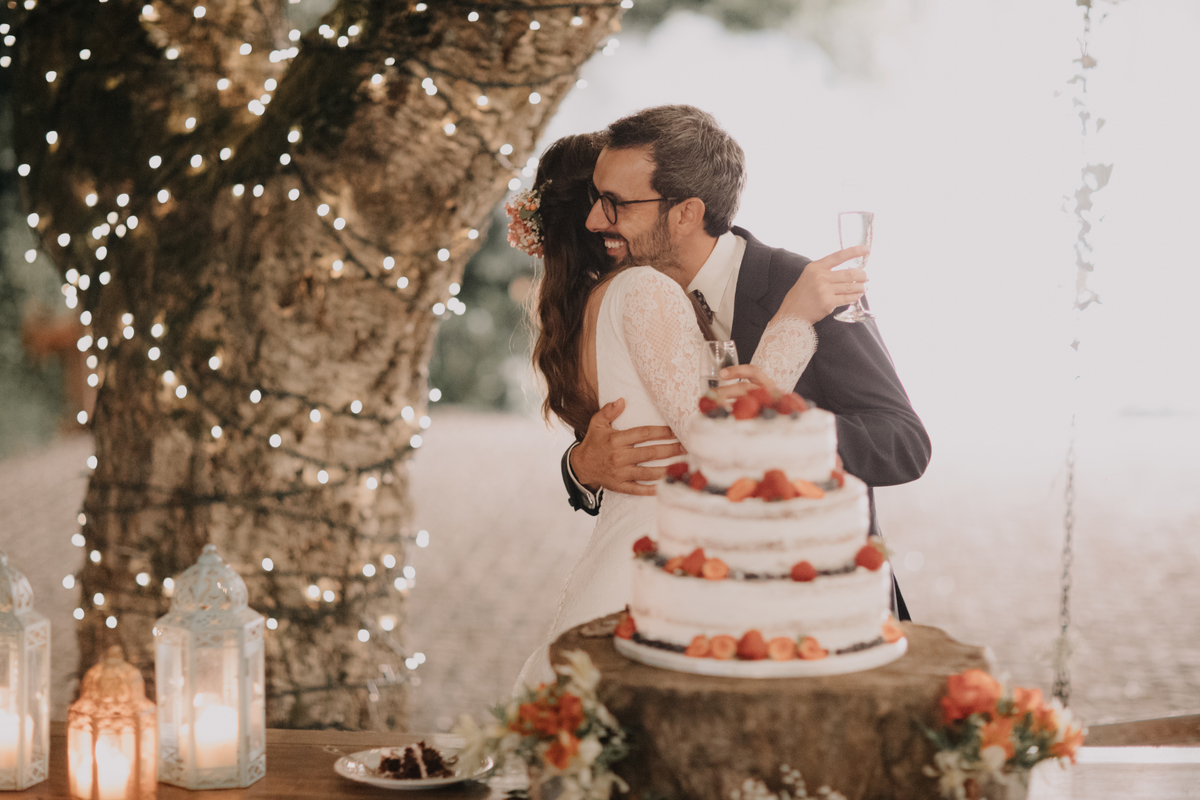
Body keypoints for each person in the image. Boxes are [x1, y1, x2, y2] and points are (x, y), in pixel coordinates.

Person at [512, 130, 867, 686]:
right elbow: (714, 440)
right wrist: (793, 319)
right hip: (671, 557)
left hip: (639, 553)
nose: (604, 218)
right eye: (607, 201)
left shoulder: (589, 309)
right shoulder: (643, 290)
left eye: (619, 201)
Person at [561, 105, 931, 620]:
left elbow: (905, 443)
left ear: (686, 213)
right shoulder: (632, 294)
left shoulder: (804, 288)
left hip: (818, 596)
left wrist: (788, 422)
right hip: (696, 594)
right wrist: (580, 467)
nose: (594, 220)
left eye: (614, 203)